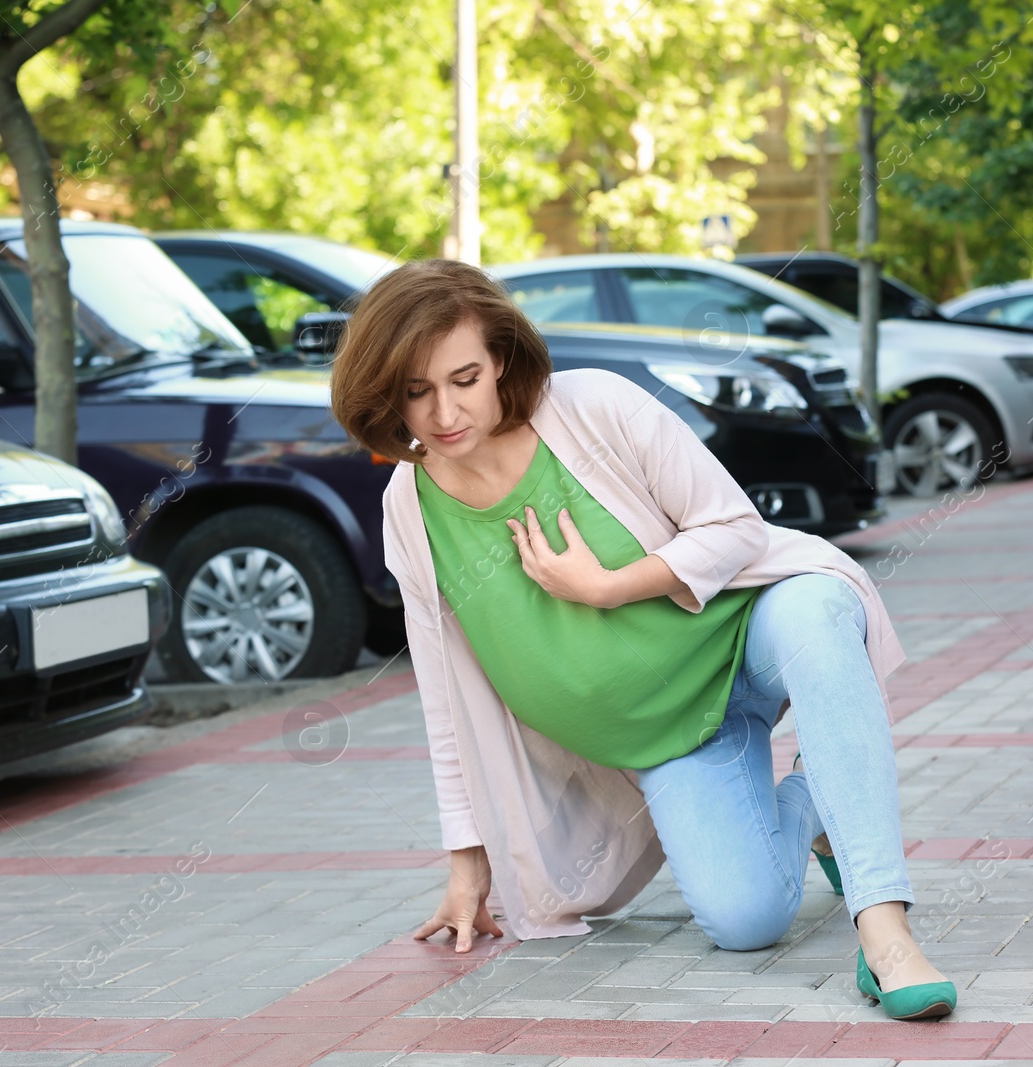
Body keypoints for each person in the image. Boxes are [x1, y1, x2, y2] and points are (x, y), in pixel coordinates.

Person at [329, 259, 956, 1021]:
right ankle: (826, 803)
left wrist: (606, 587)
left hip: (749, 631)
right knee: (746, 920)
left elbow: (735, 527)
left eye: (463, 378)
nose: (443, 411)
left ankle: (885, 930)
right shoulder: (411, 507)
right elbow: (445, 693)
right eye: (416, 391)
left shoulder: (594, 407)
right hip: (670, 735)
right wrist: (468, 863)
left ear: (499, 359)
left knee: (819, 612)